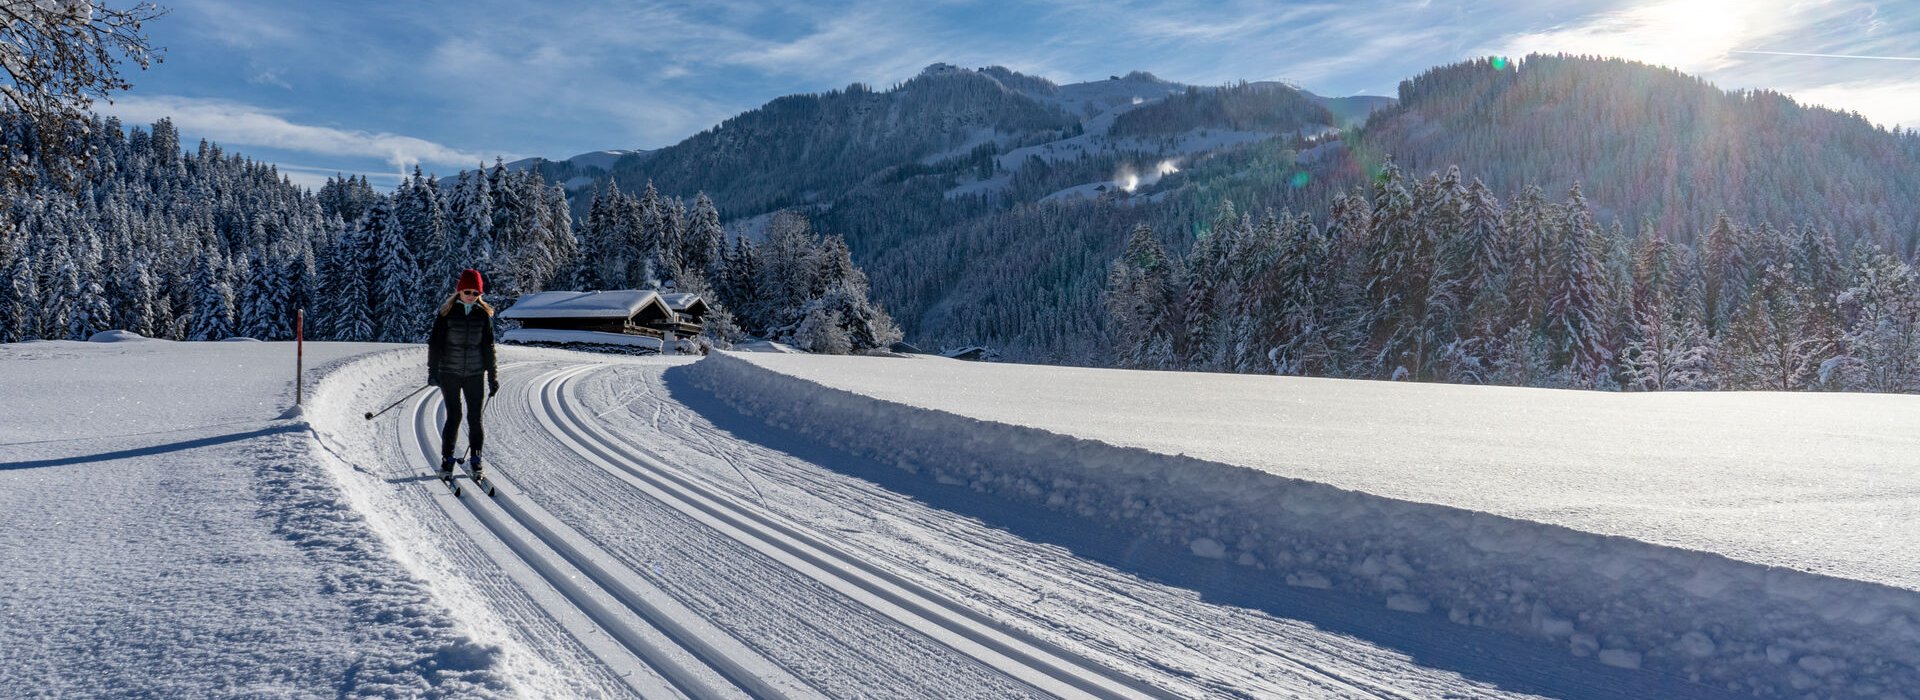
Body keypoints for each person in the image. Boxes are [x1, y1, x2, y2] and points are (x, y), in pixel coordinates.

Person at [426, 268, 499, 480]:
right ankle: (447, 460)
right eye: (468, 291)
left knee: (475, 417)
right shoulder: (446, 313)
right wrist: (433, 371)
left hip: (475, 373)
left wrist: (492, 376)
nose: (471, 296)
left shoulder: (483, 315)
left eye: (476, 293)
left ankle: (476, 460)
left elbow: (488, 346)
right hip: (449, 372)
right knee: (454, 415)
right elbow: (435, 344)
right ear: (459, 291)